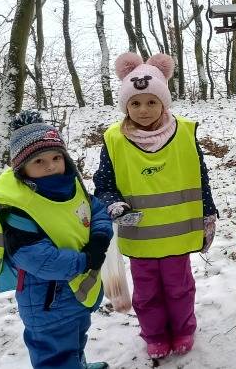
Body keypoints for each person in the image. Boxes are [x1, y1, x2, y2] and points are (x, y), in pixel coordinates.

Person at [93, 53, 219, 359]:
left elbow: (200, 176)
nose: (144, 109)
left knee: (179, 287)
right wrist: (113, 205)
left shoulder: (185, 132)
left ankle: (183, 329)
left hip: (178, 233)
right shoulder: (114, 140)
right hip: (141, 236)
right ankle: (155, 335)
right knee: (147, 292)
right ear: (126, 106)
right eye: (135, 103)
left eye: (151, 102)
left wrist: (208, 213)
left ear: (164, 102)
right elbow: (104, 186)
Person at [0, 110, 111, 369]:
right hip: (46, 300)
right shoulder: (17, 207)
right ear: (22, 169)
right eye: (38, 161)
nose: (51, 165)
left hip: (76, 291)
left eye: (56, 157)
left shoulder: (69, 185)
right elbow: (35, 257)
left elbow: (94, 209)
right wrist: (85, 260)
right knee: (54, 354)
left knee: (75, 339)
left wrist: (99, 238)